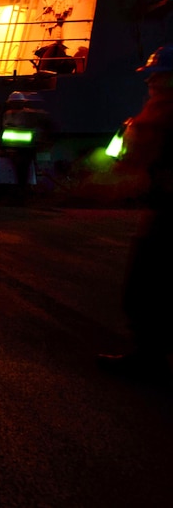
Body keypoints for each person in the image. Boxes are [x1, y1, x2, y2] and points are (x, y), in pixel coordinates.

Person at [97, 44, 173, 382]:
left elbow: (136, 160)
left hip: (165, 213)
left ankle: (149, 358)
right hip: (161, 206)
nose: (151, 82)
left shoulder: (162, 113)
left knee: (146, 285)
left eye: (158, 76)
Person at [0, 91, 53, 195]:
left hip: (26, 148)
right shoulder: (7, 114)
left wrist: (43, 139)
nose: (14, 105)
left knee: (23, 172)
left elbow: (47, 122)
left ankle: (22, 194)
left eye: (17, 102)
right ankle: (20, 193)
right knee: (18, 172)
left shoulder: (29, 114)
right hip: (14, 148)